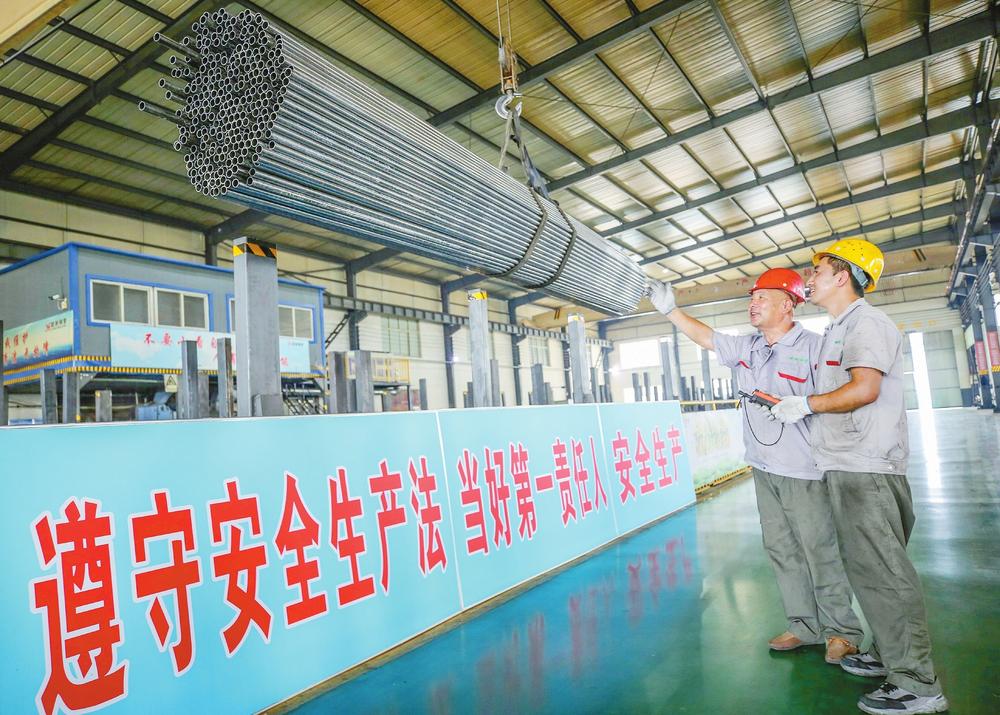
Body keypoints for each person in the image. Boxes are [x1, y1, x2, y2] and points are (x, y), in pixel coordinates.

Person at [648, 269, 863, 665]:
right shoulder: (747, 346)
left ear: (788, 304)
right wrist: (671, 311)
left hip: (805, 468)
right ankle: (804, 626)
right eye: (752, 297)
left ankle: (842, 632)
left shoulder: (815, 347)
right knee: (781, 549)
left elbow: (841, 395)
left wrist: (807, 408)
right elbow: (707, 337)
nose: (753, 303)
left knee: (820, 550)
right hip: (763, 467)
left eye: (762, 297)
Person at [770, 239, 948, 714]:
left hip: (866, 466)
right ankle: (890, 654)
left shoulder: (867, 323)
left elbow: (865, 389)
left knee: (884, 574)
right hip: (846, 463)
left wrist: (806, 405)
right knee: (868, 571)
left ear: (843, 275)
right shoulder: (837, 328)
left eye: (818, 270)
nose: (810, 278)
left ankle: (918, 684)